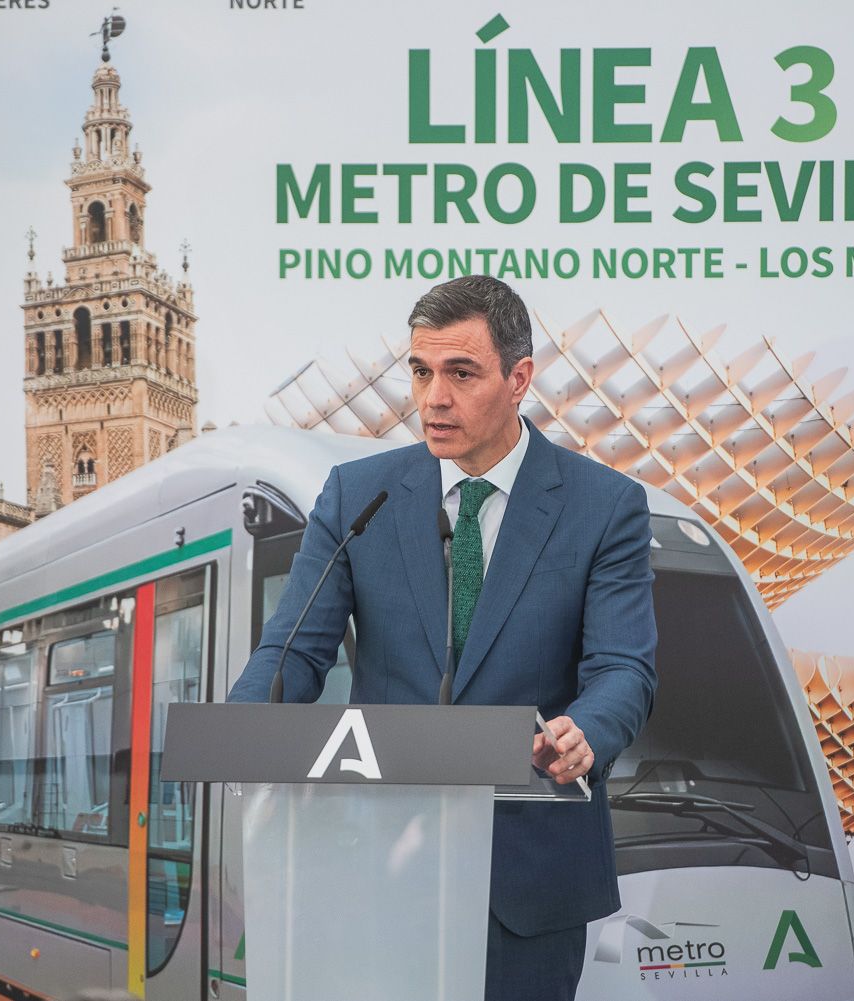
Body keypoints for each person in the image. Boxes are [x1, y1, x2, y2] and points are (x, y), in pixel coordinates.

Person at [228, 274, 657, 1001]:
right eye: (422, 372)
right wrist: (237, 727)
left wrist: (585, 729)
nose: (433, 397)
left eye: (461, 373)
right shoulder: (356, 494)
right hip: (377, 869)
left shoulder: (605, 505)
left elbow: (624, 669)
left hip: (527, 886)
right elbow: (293, 651)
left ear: (519, 378)